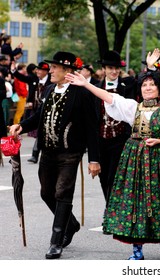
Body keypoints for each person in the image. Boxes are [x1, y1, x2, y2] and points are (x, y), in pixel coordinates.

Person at [65, 49, 160, 260]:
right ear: (140, 89)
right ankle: (137, 250)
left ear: (158, 89)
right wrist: (86, 84)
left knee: (159, 202)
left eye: (152, 85)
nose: (148, 88)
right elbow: (110, 98)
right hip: (134, 162)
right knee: (133, 203)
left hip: (158, 163)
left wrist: (159, 140)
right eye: (145, 85)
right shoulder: (134, 107)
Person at [8, 51, 101, 259]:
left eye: (55, 67)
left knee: (63, 193)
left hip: (70, 153)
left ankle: (56, 241)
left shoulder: (82, 93)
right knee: (46, 193)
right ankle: (72, 223)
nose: (50, 70)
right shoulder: (49, 89)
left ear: (67, 71)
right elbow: (39, 117)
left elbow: (92, 128)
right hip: (47, 152)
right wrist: (20, 126)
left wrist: (94, 159)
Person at [94, 50, 136, 210]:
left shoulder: (128, 86)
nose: (114, 71)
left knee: (115, 177)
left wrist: (151, 67)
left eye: (117, 68)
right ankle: (110, 207)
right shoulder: (96, 88)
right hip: (101, 139)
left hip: (121, 140)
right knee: (103, 177)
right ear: (104, 69)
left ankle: (112, 211)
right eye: (110, 68)